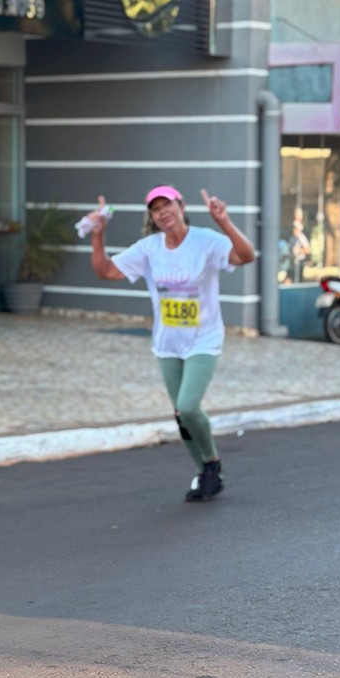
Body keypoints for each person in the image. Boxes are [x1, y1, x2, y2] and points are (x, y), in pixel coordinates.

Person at [86, 184, 255, 503]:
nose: (163, 213)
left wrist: (225, 222)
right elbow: (105, 271)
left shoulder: (205, 240)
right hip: (168, 342)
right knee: (181, 413)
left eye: (168, 205)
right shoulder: (150, 248)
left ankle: (212, 463)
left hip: (204, 338)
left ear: (181, 206)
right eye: (155, 208)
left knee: (189, 405)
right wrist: (98, 233)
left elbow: (246, 256)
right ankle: (205, 471)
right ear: (152, 216)